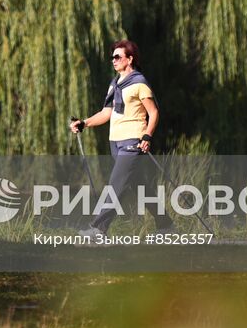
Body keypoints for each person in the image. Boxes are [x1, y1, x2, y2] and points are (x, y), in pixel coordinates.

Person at [68, 39, 171, 236]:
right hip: (116, 143)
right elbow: (106, 113)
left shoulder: (139, 83)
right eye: (112, 57)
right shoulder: (115, 84)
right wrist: (84, 123)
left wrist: (147, 136)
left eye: (117, 57)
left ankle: (98, 228)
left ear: (130, 59)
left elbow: (154, 112)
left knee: (115, 185)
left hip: (133, 142)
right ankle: (166, 226)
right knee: (140, 188)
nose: (113, 60)